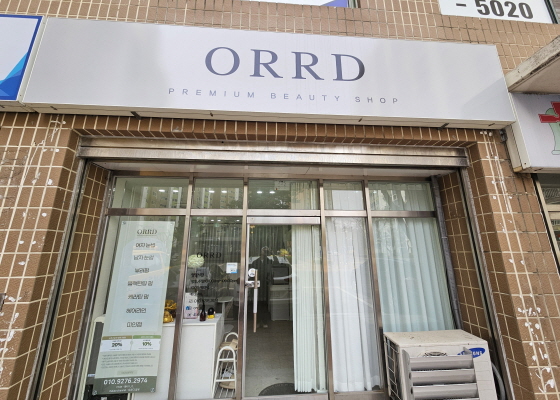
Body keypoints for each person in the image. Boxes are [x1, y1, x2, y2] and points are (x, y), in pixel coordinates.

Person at [249, 246, 279, 328]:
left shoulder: (269, 261)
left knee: (265, 304)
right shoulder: (255, 262)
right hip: (257, 286)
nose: (264, 252)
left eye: (266, 251)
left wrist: (272, 253)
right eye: (263, 250)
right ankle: (258, 321)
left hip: (265, 286)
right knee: (257, 303)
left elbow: (277, 263)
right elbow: (251, 274)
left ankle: (265, 321)